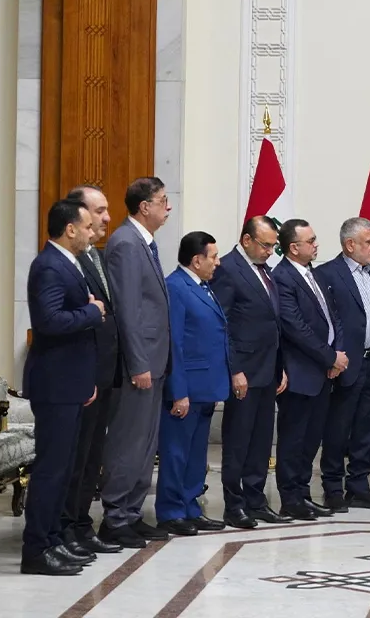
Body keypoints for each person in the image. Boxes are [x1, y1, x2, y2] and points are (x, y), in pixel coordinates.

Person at [22, 199, 104, 576]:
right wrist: (93, 311)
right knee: (51, 470)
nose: (93, 231)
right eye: (87, 226)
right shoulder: (49, 266)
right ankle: (36, 550)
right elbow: (49, 321)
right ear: (70, 229)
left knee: (65, 466)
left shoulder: (67, 264)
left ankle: (54, 539)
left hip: (71, 380)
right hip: (54, 383)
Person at [100, 177, 173, 548]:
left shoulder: (145, 243)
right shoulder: (126, 244)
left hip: (154, 360)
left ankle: (131, 512)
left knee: (146, 444)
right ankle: (114, 517)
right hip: (139, 364)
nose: (168, 207)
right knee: (128, 441)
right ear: (144, 206)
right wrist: (139, 362)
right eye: (163, 200)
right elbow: (127, 310)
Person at [211, 216, 292, 529]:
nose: (271, 251)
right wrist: (234, 370)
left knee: (261, 441)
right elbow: (224, 324)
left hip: (268, 369)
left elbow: (273, 323)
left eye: (273, 245)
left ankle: (257, 500)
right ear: (246, 240)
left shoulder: (265, 271)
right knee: (238, 441)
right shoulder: (228, 269)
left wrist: (280, 366)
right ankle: (235, 505)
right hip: (244, 372)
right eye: (266, 244)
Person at [59, 185, 123, 555]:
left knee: (93, 456)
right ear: (78, 216)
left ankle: (82, 524)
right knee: (76, 458)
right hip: (82, 377)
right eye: (99, 211)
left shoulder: (96, 256)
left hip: (104, 372)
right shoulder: (68, 261)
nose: (106, 218)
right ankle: (67, 527)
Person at [155, 232, 230, 536]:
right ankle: (171, 511)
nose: (218, 262)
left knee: (196, 453)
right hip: (186, 389)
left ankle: (190, 507)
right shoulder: (176, 287)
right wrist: (178, 391)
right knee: (176, 452)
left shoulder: (203, 286)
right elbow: (174, 344)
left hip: (206, 386)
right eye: (213, 257)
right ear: (197, 260)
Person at [272, 219, 348, 520]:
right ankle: (289, 497)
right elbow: (296, 328)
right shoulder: (282, 278)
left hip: (322, 373)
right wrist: (329, 357)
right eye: (311, 240)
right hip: (300, 373)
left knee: (311, 438)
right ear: (294, 247)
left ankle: (302, 493)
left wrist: (337, 354)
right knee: (293, 439)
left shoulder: (313, 274)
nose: (316, 244)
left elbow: (333, 317)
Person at [315, 218, 370, 511]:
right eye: (369, 242)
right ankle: (333, 486)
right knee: (338, 428)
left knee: (367, 428)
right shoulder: (327, 274)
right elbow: (324, 321)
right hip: (345, 365)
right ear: (350, 245)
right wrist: (333, 357)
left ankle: (359, 485)